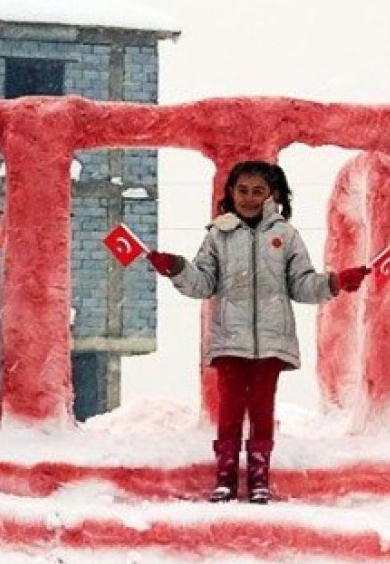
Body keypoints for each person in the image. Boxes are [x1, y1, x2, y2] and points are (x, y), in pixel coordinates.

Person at [146, 160, 370, 504]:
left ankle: (259, 479)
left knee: (262, 410)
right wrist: (178, 268)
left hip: (272, 341)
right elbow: (203, 284)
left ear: (273, 195)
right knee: (230, 409)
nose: (249, 198)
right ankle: (225, 478)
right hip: (228, 340)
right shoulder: (217, 235)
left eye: (258, 191)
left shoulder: (286, 236)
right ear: (231, 194)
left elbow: (303, 285)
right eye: (242, 191)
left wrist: (335, 282)